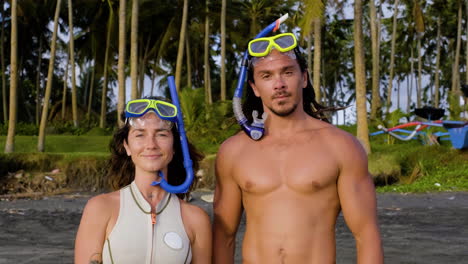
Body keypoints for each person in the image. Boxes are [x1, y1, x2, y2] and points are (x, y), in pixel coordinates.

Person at [213, 33, 383, 263]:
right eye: (266, 76)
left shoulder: (341, 147)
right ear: (254, 87)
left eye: (287, 72)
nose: (279, 84)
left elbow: (366, 235)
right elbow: (224, 235)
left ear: (303, 78)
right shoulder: (233, 151)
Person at [75, 97, 212, 264]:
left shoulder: (196, 219)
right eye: (140, 134)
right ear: (126, 146)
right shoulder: (100, 208)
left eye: (161, 134)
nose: (151, 144)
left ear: (175, 146)